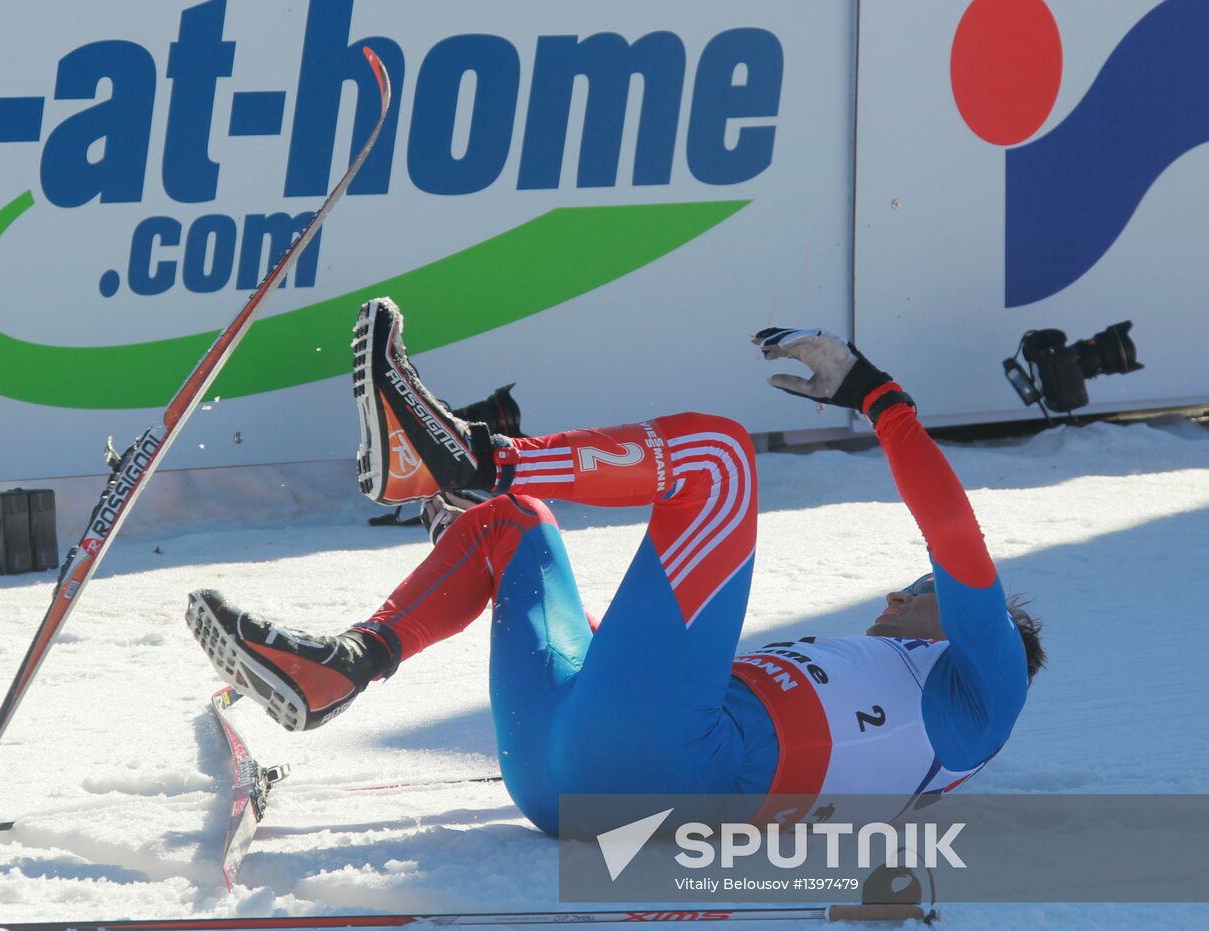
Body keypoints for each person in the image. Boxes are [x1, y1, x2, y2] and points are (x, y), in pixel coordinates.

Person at [185, 299, 1044, 835]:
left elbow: (955, 537)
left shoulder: (984, 691)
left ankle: (467, 457)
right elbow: (633, 679)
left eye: (923, 594)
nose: (897, 593)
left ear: (987, 628)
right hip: (559, 772)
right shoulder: (890, 687)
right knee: (513, 525)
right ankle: (345, 666)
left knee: (719, 460)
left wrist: (878, 398)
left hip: (655, 771)